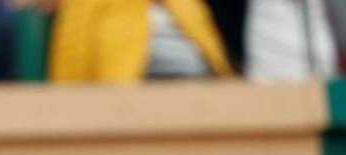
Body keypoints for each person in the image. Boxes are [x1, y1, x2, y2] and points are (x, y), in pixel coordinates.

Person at [49, 0, 234, 83]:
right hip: (130, 116)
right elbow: (72, 75)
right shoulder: (88, 5)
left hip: (198, 106)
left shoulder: (188, 5)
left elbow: (218, 67)